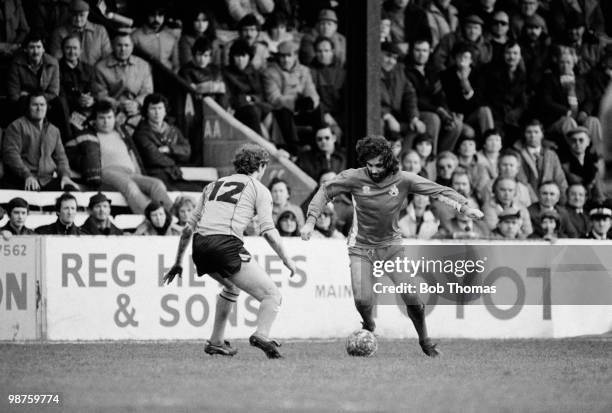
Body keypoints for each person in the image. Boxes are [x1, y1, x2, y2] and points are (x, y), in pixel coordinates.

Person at [301, 135, 484, 357]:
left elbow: (438, 190)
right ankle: (369, 324)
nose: (373, 170)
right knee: (362, 299)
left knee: (412, 296)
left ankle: (424, 340)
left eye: (378, 164)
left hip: (391, 247)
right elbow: (325, 190)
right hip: (360, 246)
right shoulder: (353, 177)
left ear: (387, 161)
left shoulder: (404, 179)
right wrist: (310, 221)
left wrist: (465, 208)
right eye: (369, 165)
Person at [163, 144, 297, 359]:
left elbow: (188, 229)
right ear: (261, 166)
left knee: (231, 288)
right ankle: (262, 335)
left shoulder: (212, 186)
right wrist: (287, 260)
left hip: (200, 245)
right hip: (224, 244)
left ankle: (216, 342)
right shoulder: (258, 189)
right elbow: (269, 231)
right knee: (272, 295)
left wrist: (178, 262)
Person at [65, 100, 172, 213]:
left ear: (114, 118)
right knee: (130, 186)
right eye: (102, 118)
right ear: (95, 120)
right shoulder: (88, 135)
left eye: (109, 117)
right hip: (107, 172)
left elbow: (133, 154)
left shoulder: (122, 132)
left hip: (130, 173)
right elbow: (70, 152)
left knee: (157, 184)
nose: (106, 121)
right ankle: (151, 216)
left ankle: (172, 216)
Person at [2, 92, 79, 191]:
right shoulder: (16, 126)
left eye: (42, 104)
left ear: (47, 107)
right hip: (21, 179)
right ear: (28, 107)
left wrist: (65, 176)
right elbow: (11, 155)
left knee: (71, 192)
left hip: (46, 180)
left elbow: (61, 158)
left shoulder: (54, 130)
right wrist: (27, 175)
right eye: (35, 105)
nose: (39, 108)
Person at [133, 93, 198, 191]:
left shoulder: (173, 130)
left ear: (165, 111)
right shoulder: (141, 133)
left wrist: (169, 149)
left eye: (160, 108)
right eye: (153, 109)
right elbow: (153, 158)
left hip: (174, 175)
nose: (157, 112)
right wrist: (174, 159)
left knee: (198, 191)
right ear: (146, 111)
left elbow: (187, 152)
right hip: (154, 175)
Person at [49, 0, 111, 66]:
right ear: (69, 14)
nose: (78, 19)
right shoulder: (59, 33)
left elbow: (107, 57)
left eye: (82, 15)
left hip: (96, 73)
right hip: (69, 73)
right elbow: (56, 60)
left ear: (88, 13)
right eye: (74, 15)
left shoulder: (100, 31)